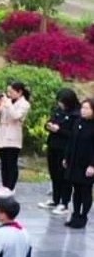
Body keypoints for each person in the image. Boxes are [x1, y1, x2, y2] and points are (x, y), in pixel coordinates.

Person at [0, 82, 31, 199]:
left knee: (11, 162)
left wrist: (7, 103)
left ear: (19, 92)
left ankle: (10, 187)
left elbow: (16, 116)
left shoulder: (24, 104)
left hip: (13, 136)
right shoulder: (7, 101)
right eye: (8, 92)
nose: (9, 94)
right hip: (2, 134)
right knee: (3, 162)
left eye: (11, 92)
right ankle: (4, 184)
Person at [43, 88, 79, 216]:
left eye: (63, 102)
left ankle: (64, 202)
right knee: (54, 174)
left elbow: (73, 134)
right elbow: (49, 122)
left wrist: (59, 130)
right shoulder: (58, 111)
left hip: (65, 149)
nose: (60, 104)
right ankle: (55, 199)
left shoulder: (76, 114)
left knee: (63, 176)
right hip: (53, 145)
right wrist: (49, 126)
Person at [65, 98, 94, 229]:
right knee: (76, 190)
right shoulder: (78, 122)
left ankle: (83, 216)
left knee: (86, 190)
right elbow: (71, 141)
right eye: (82, 108)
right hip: (75, 162)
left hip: (87, 163)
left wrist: (92, 165)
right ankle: (75, 214)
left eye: (87, 108)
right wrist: (67, 157)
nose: (83, 110)